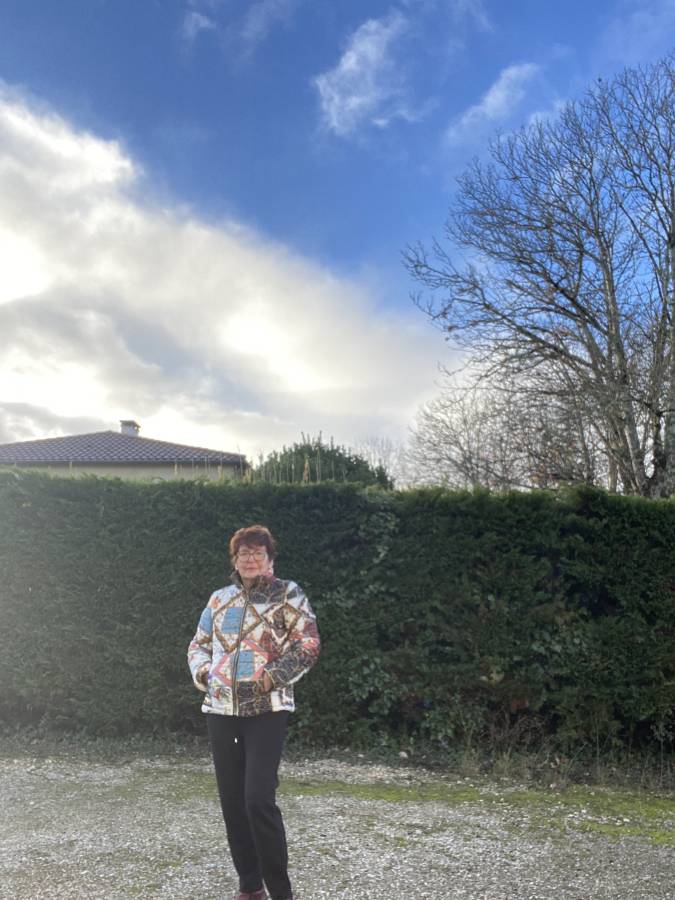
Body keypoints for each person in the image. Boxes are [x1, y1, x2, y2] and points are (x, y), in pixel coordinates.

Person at [188, 524, 320, 900]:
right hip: (221, 710)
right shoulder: (220, 599)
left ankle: (281, 892)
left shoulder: (288, 594)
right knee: (232, 803)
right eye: (243, 553)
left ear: (269, 559)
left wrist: (271, 678)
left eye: (257, 553)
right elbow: (198, 644)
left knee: (258, 799)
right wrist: (204, 673)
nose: (250, 559)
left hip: (267, 709)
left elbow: (308, 644)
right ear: (235, 560)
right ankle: (250, 887)